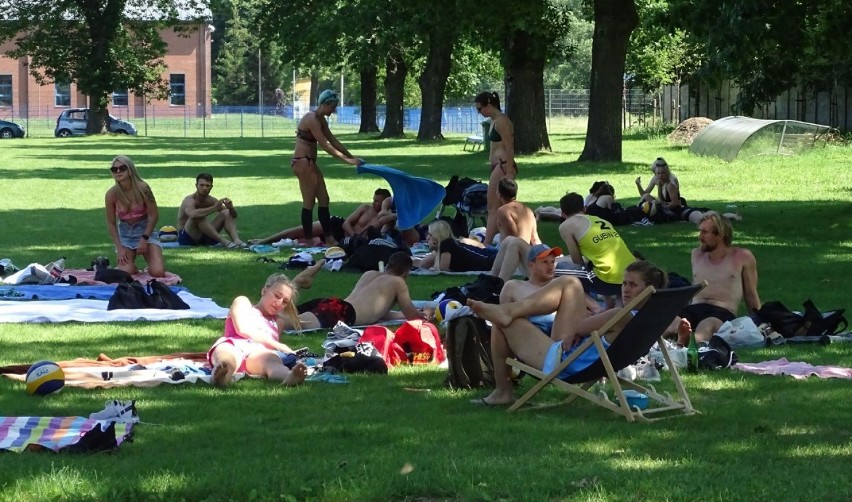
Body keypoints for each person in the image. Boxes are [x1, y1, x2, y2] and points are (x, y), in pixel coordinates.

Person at [469, 260, 675, 406]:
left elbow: (578, 328)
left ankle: (502, 391)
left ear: (649, 289)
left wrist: (582, 322)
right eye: (624, 283)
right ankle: (508, 311)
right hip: (580, 357)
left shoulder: (619, 314)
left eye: (633, 285)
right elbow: (584, 329)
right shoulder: (650, 316)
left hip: (564, 361)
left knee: (501, 321)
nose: (625, 289)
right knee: (571, 283)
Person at [207, 273, 309, 388]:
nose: (279, 303)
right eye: (277, 296)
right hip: (234, 343)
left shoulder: (279, 322)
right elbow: (243, 329)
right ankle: (222, 375)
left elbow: (270, 348)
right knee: (227, 355)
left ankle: (289, 376)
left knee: (272, 361)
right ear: (264, 291)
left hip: (258, 353)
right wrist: (279, 345)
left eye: (285, 301)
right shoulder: (243, 303)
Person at [678, 212, 761, 345]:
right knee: (667, 324)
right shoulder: (696, 254)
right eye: (700, 232)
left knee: (705, 327)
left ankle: (691, 353)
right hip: (694, 309)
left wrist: (760, 322)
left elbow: (751, 294)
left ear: (720, 234)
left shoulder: (742, 257)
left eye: (705, 232)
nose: (700, 237)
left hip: (721, 312)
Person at [292, 89, 362, 244]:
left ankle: (330, 238)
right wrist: (348, 161)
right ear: (325, 104)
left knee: (324, 199)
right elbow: (325, 145)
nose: (334, 110)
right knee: (309, 202)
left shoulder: (321, 120)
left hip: (311, 163)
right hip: (303, 162)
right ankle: (309, 241)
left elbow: (334, 141)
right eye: (333, 107)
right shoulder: (311, 118)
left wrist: (352, 157)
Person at [289, 252, 426, 330]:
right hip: (344, 314)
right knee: (290, 324)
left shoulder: (370, 274)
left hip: (333, 304)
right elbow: (412, 316)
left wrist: (399, 315)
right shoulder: (398, 282)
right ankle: (296, 283)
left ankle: (294, 286)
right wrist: (426, 316)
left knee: (281, 313)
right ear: (406, 273)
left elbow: (378, 313)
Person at [556, 192, 635, 301]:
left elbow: (577, 261)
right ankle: (608, 305)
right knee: (595, 264)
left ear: (563, 213)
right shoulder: (601, 221)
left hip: (607, 281)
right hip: (629, 276)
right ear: (584, 208)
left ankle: (593, 308)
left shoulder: (566, 226)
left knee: (552, 269)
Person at [250, 188, 391, 245]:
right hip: (338, 226)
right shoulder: (365, 208)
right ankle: (263, 241)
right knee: (298, 231)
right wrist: (354, 235)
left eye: (377, 201)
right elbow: (346, 223)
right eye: (373, 199)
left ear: (385, 201)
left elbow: (382, 235)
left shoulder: (384, 219)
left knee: (302, 240)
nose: (373, 203)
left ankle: (271, 242)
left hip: (345, 240)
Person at [104, 155, 166, 277]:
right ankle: (133, 268)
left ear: (130, 169)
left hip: (145, 231)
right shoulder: (111, 194)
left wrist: (144, 238)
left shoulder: (143, 188)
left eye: (122, 168)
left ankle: (151, 264)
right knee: (125, 272)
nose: (118, 171)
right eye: (114, 169)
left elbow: (154, 215)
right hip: (125, 234)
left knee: (157, 272)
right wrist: (119, 248)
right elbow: (111, 223)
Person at [636, 157, 739, 224]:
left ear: (667, 173)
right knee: (645, 197)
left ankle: (727, 217)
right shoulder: (656, 180)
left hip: (677, 208)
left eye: (663, 173)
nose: (660, 175)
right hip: (666, 207)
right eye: (658, 173)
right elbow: (645, 194)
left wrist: (662, 205)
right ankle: (639, 214)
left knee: (701, 219)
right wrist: (638, 185)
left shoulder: (671, 184)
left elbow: (675, 203)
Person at [475, 91, 516, 247]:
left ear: (489, 105)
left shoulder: (501, 121)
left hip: (503, 165)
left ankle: (486, 243)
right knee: (498, 207)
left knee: (492, 208)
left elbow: (509, 146)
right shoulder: (494, 120)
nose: (479, 113)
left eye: (480, 109)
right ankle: (504, 238)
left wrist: (509, 170)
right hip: (498, 165)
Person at [487, 178, 541, 281]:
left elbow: (512, 237)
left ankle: (496, 282)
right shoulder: (527, 210)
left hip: (515, 255)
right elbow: (535, 240)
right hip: (527, 251)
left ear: (499, 193)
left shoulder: (503, 211)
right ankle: (493, 281)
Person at [176, 173, 245, 248]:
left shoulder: (211, 200)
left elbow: (233, 215)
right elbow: (192, 214)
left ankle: (236, 240)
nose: (204, 188)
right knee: (198, 216)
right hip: (187, 237)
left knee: (226, 212)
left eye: (207, 185)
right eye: (201, 185)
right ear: (196, 185)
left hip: (204, 236)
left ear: (211, 187)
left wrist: (231, 208)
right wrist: (215, 208)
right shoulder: (189, 200)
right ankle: (223, 241)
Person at [416, 219, 497, 272]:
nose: (427, 238)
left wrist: (432, 269)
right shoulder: (449, 244)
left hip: (489, 263)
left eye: (430, 235)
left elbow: (443, 270)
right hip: (490, 260)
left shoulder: (446, 244)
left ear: (437, 236)